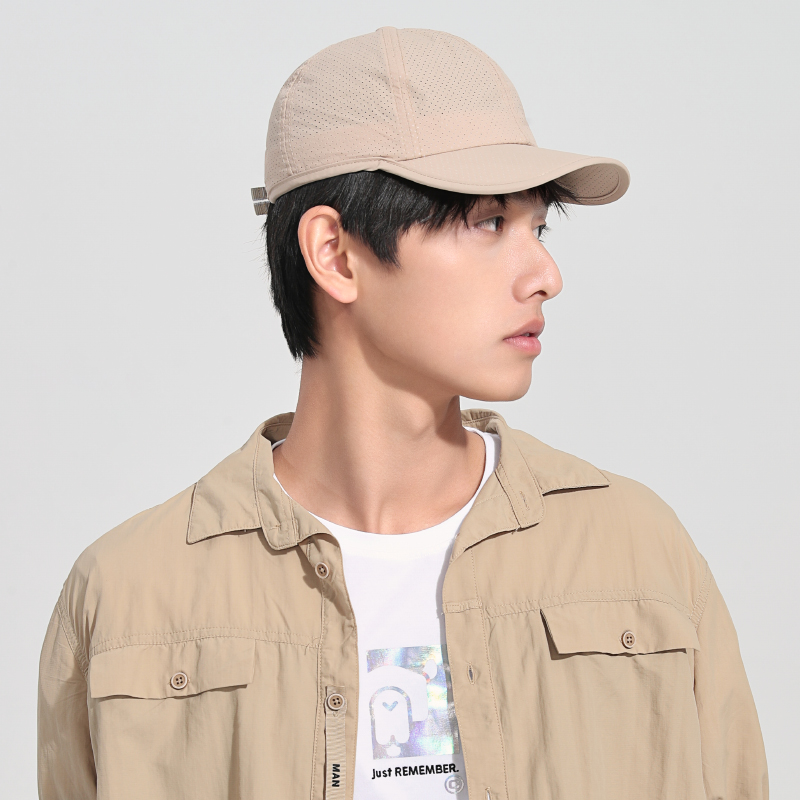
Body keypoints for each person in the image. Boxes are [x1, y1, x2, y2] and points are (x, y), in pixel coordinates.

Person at [37, 26, 768, 800]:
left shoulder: (638, 554)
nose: (546, 275)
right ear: (335, 253)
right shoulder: (129, 598)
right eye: (489, 222)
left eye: (539, 226)